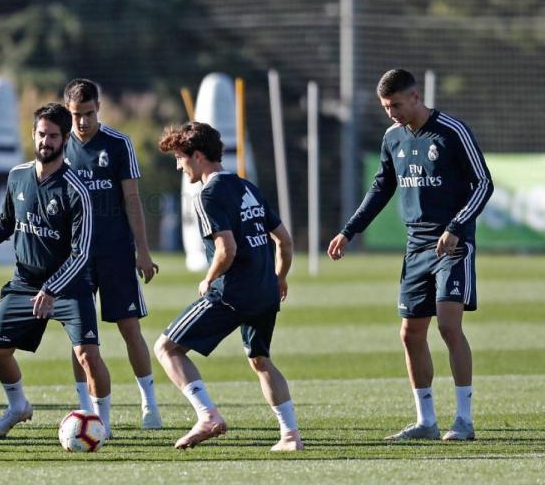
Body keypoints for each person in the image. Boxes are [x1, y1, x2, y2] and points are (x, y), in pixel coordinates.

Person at [327, 68, 492, 442]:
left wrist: (456, 226)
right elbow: (380, 188)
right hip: (416, 247)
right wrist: (349, 231)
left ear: (415, 97)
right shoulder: (393, 137)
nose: (391, 113)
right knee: (410, 333)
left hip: (453, 245)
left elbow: (484, 183)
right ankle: (426, 422)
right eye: (386, 107)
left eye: (396, 105)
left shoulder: (451, 131)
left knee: (448, 326)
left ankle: (463, 420)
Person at [0, 103, 113, 439]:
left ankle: (102, 424)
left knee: (87, 355)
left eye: (53, 136)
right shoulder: (17, 176)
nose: (45, 142)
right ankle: (18, 406)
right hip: (25, 282)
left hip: (69, 285)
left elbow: (81, 253)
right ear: (32, 134)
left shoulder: (76, 190)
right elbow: (4, 224)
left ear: (65, 139)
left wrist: (51, 289)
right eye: (41, 134)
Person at [154, 122, 303, 452]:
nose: (178, 167)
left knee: (166, 348)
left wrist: (208, 279)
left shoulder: (208, 195)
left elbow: (227, 250)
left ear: (197, 156)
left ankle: (208, 416)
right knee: (260, 359)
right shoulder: (246, 186)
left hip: (233, 292)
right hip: (265, 290)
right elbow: (285, 241)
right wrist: (279, 277)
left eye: (180, 159)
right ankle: (290, 436)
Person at [62, 78, 162, 429]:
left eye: (88, 113)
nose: (82, 121)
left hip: (116, 253)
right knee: (81, 336)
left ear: (98, 108)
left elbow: (132, 200)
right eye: (76, 114)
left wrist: (143, 251)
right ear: (67, 111)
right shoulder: (59, 145)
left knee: (129, 327)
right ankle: (85, 408)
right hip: (75, 258)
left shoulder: (118, 144)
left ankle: (149, 404)